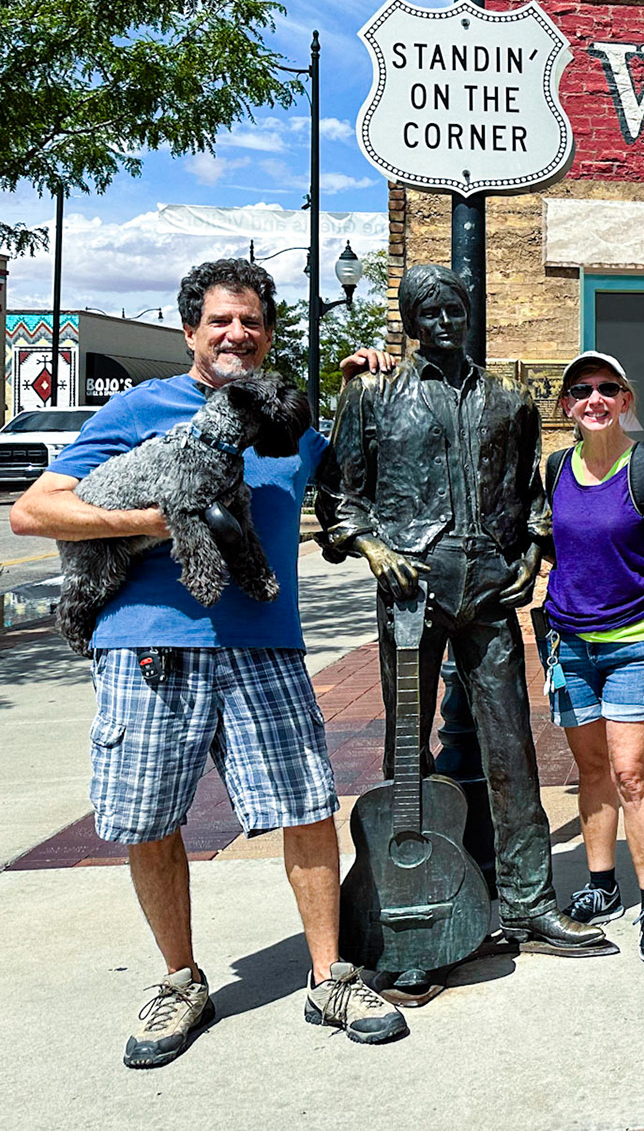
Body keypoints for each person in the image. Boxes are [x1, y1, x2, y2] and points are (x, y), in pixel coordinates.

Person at [10, 258, 407, 1068]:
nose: (238, 334)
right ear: (191, 329)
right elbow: (34, 511)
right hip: (150, 646)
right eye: (221, 320)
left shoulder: (286, 425)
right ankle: (179, 980)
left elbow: (355, 479)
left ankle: (329, 975)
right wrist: (154, 518)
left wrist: (364, 381)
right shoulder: (139, 409)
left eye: (253, 321)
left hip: (265, 645)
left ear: (267, 333)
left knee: (305, 806)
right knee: (151, 818)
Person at [318, 264, 608, 957]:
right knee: (405, 748)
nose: (444, 323)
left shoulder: (509, 398)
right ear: (412, 323)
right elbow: (340, 493)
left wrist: (534, 556)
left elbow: (530, 493)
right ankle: (403, 895)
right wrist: (372, 549)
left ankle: (529, 898)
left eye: (454, 310)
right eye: (430, 313)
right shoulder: (374, 392)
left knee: (512, 747)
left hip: (487, 590)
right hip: (410, 591)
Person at [532, 351, 644, 963]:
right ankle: (601, 885)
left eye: (606, 388)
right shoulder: (556, 470)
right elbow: (547, 547)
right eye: (580, 390)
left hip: (633, 642)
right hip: (569, 643)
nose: (593, 399)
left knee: (631, 773)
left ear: (626, 400)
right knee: (590, 772)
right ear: (567, 405)